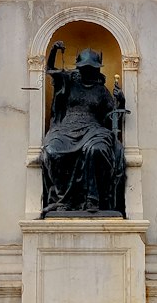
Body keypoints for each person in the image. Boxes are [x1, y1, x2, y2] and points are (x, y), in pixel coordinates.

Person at [40, 42, 126, 217]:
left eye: (91, 68)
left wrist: (121, 101)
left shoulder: (101, 91)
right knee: (52, 150)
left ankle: (92, 198)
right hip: (66, 128)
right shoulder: (69, 81)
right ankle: (63, 200)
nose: (88, 71)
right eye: (85, 68)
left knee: (97, 150)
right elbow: (49, 69)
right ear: (79, 67)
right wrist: (54, 50)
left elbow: (113, 117)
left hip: (94, 130)